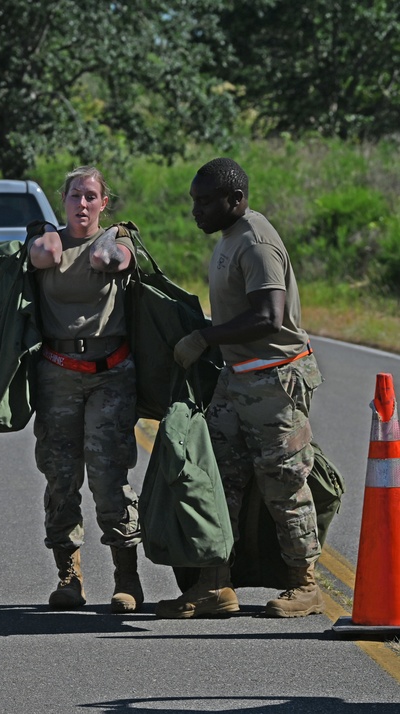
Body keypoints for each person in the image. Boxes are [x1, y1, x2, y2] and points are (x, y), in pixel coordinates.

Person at [156, 157, 324, 619]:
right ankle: (215, 584)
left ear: (236, 199)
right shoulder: (230, 237)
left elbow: (268, 314)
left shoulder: (256, 241)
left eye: (207, 202)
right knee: (216, 483)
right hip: (238, 380)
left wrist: (205, 337)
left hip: (273, 380)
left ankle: (305, 585)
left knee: (283, 483)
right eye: (195, 201)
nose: (197, 211)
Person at [26, 165, 143, 613]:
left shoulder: (117, 238)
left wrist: (109, 248)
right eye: (76, 195)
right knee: (60, 476)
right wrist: (46, 239)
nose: (83, 204)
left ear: (104, 203)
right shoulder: (48, 240)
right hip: (58, 371)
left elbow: (114, 260)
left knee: (109, 475)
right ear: (64, 200)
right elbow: (39, 256)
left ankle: (126, 576)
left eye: (91, 196)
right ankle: (68, 574)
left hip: (110, 372)